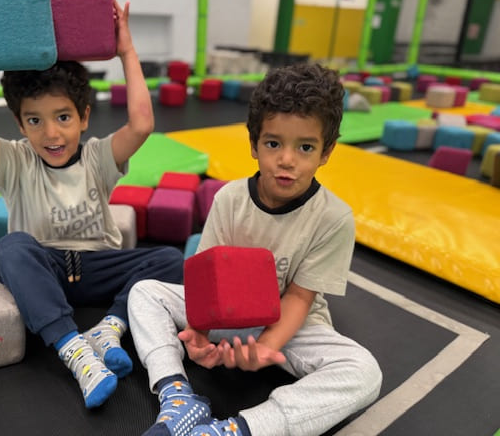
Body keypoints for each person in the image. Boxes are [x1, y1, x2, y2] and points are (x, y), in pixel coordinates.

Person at [0, 0, 184, 409]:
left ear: (84, 117)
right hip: (47, 270)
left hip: (99, 267)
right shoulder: (15, 161)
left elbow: (142, 124)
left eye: (63, 117)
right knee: (10, 248)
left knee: (169, 259)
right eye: (34, 121)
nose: (51, 134)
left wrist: (126, 49)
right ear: (20, 124)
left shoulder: (98, 157)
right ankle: (75, 351)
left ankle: (110, 327)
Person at [127, 63, 382, 436]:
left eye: (305, 147)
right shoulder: (229, 199)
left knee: (364, 371)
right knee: (145, 293)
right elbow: (205, 283)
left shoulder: (333, 217)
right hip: (228, 314)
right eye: (273, 144)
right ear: (253, 144)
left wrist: (266, 347)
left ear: (326, 152)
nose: (287, 160)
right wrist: (198, 333)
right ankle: (176, 394)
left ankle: (237, 430)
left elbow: (299, 297)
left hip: (290, 325)